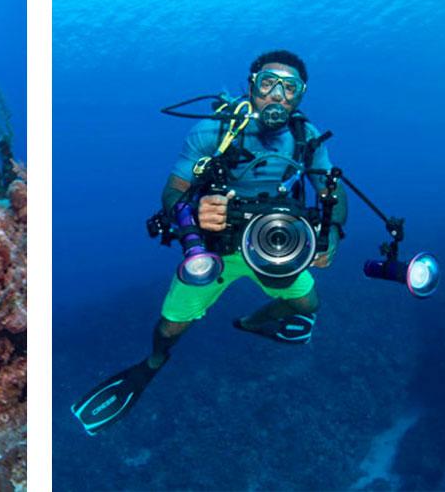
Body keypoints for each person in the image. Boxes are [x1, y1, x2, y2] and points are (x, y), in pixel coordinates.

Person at [72, 50, 349, 434]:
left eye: (290, 88)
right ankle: (153, 362)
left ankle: (250, 323)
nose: (277, 96)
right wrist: (195, 210)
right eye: (268, 83)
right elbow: (172, 193)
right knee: (170, 328)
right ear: (252, 83)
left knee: (307, 304)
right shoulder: (213, 130)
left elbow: (333, 190)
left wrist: (331, 233)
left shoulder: (307, 136)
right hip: (214, 248)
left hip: (274, 244)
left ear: (301, 95)